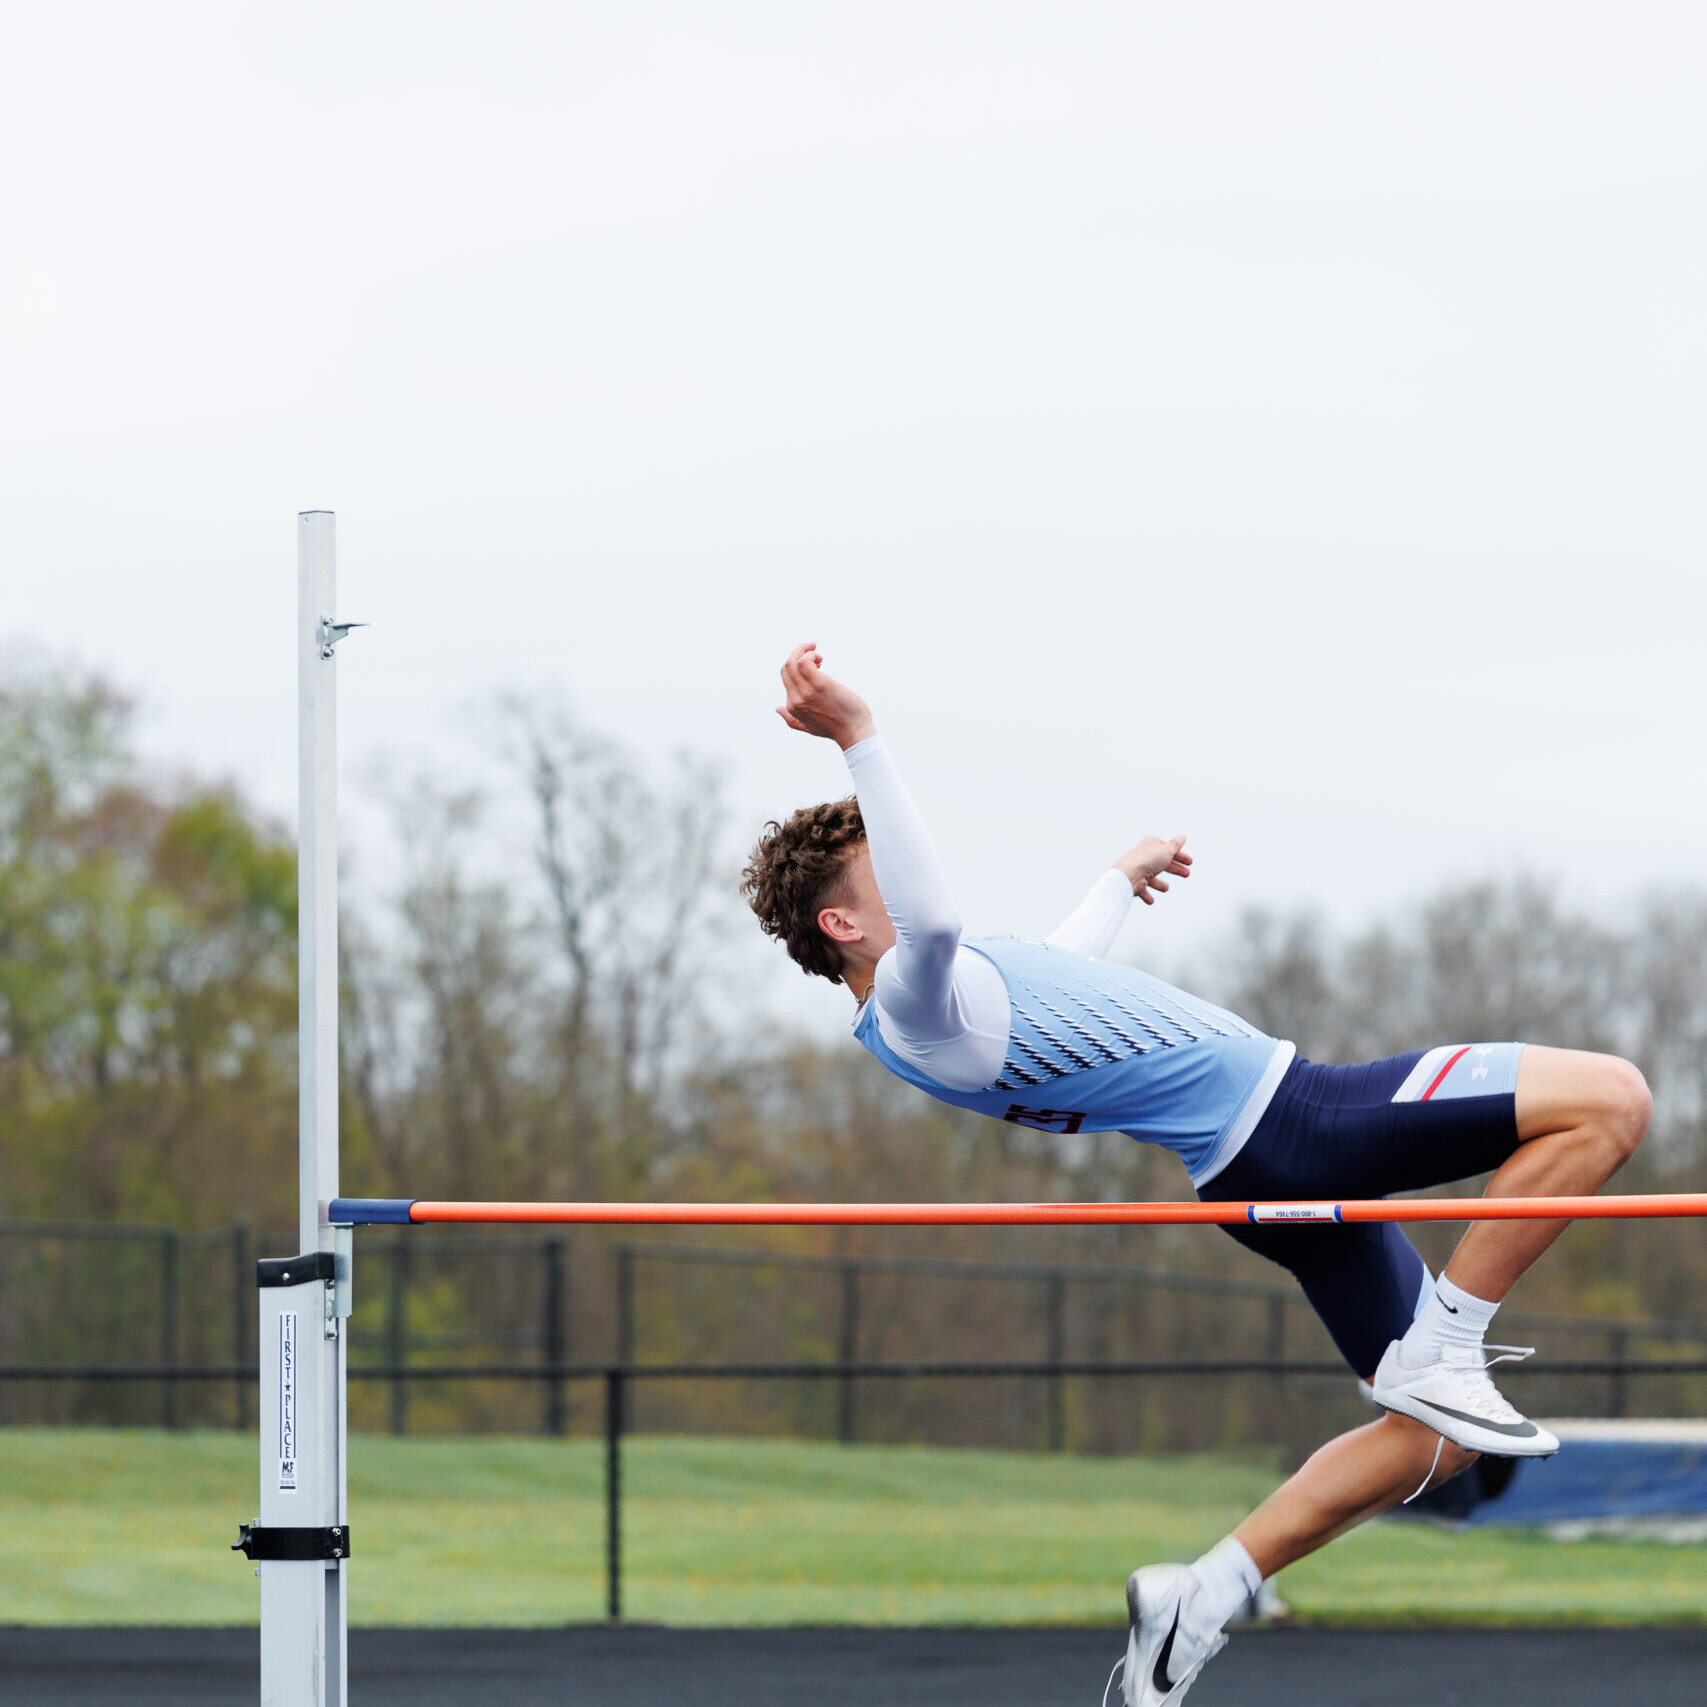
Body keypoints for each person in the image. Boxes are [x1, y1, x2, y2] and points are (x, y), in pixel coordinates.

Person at [742, 643, 1652, 1707]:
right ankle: (1445, 1349)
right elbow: (935, 923)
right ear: (843, 925)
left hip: (1259, 1163)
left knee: (1439, 1447)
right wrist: (861, 739)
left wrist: (1113, 885)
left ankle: (1205, 1594)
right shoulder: (908, 992)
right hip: (1301, 1124)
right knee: (1612, 1100)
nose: (908, 879)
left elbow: (1054, 976)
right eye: (877, 876)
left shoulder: (934, 1009)